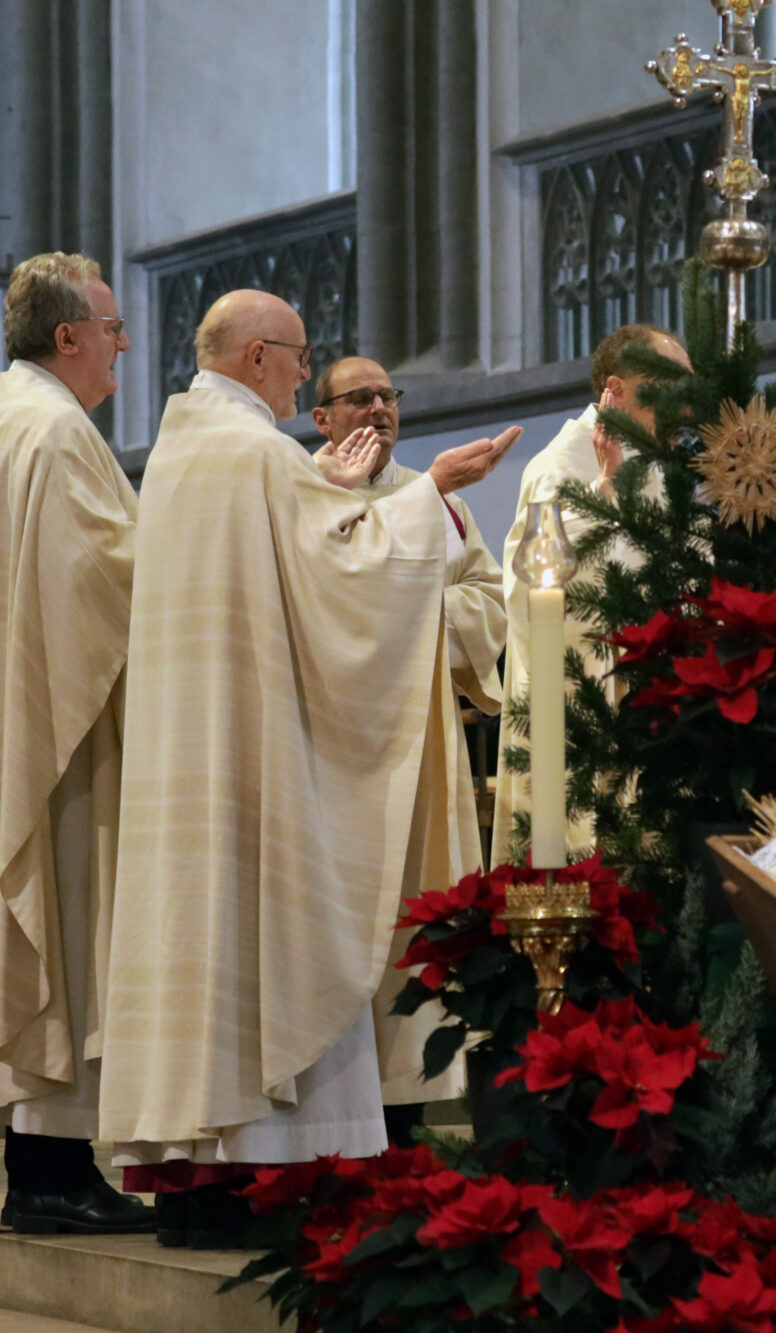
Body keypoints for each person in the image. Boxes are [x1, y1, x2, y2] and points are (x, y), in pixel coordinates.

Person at [97, 289, 521, 1247]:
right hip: (252, 763)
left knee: (200, 959)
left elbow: (302, 553)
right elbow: (346, 578)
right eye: (296, 356)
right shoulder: (254, 452)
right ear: (257, 356)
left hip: (191, 761)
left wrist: (335, 488)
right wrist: (430, 488)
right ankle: (255, 1187)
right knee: (258, 954)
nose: (301, 371)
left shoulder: (183, 447)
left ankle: (192, 1191)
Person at [310, 356, 508, 1142]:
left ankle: (408, 1113)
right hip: (333, 757)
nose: (379, 409)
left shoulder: (442, 505)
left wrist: (412, 609)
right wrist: (403, 603)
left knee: (416, 927)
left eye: (388, 396)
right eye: (359, 398)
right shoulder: (304, 492)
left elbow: (490, 601)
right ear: (321, 417)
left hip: (424, 752)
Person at [0, 254, 152, 1234]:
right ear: (67, 337)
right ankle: (51, 1174)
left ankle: (44, 1166)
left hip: (28, 703)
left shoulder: (13, 413)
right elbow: (110, 572)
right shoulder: (55, 431)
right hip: (60, 724)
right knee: (67, 928)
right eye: (109, 327)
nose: (121, 345)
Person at [494, 323, 690, 862]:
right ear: (616, 390)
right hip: (577, 714)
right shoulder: (556, 469)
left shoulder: (654, 467)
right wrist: (608, 497)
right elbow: (541, 594)